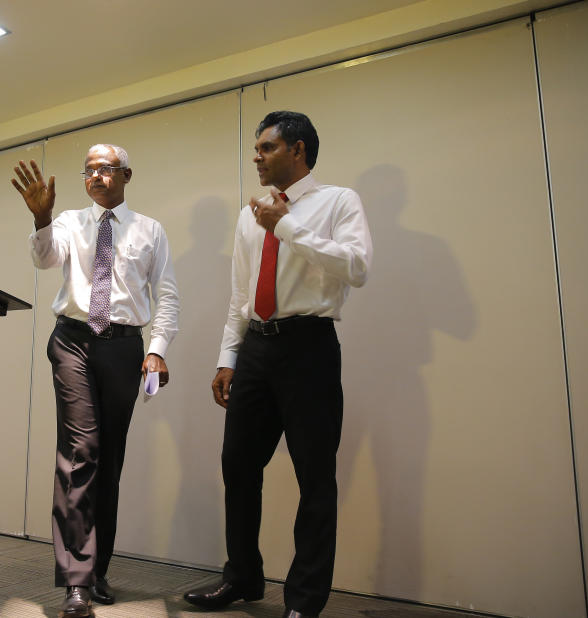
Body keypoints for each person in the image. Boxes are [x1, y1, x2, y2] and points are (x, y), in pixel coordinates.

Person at [183, 111, 372, 618]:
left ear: (298, 151)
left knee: (315, 475)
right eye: (256, 148)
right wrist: (228, 358)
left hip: (309, 347)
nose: (256, 156)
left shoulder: (338, 201)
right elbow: (240, 294)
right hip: (256, 350)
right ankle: (242, 576)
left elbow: (357, 268)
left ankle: (304, 601)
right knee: (238, 465)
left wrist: (286, 227)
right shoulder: (252, 213)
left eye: (266, 147)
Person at [11, 144, 180, 618]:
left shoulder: (151, 230)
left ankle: (97, 568)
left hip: (124, 346)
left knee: (109, 460)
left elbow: (166, 296)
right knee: (80, 451)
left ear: (126, 173)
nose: (96, 176)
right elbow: (44, 259)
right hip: (72, 342)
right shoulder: (67, 220)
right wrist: (41, 220)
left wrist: (156, 351)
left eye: (105, 169)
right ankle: (76, 582)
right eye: (88, 170)